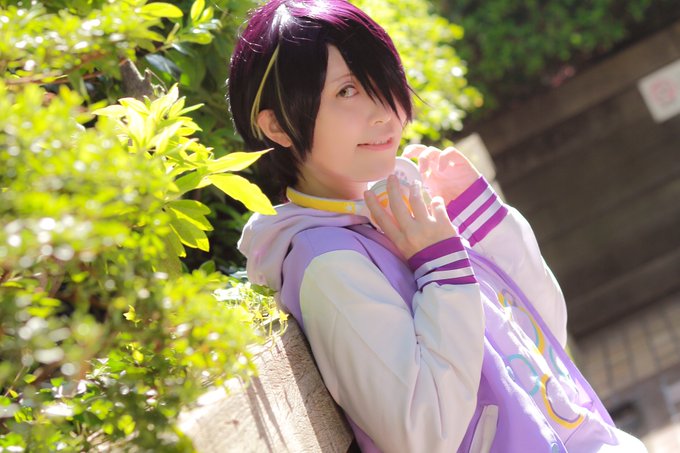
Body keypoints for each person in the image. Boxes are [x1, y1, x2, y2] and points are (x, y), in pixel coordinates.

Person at [229, 1, 648, 451]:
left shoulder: (399, 209)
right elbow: (423, 433)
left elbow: (546, 337)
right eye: (346, 91)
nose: (384, 110)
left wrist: (483, 220)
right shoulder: (328, 265)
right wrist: (441, 267)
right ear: (278, 126)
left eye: (382, 78)